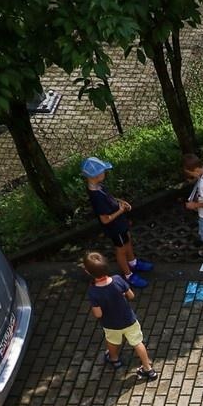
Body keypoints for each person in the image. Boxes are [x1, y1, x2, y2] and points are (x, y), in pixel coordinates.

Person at [82, 252, 158, 381]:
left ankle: (114, 359)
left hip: (111, 324)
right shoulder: (117, 279)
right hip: (129, 320)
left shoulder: (93, 292)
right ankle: (148, 369)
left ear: (88, 272)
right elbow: (131, 296)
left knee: (112, 341)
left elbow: (98, 314)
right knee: (137, 342)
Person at [81, 156, 151, 287]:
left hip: (119, 223)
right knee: (121, 249)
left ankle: (133, 262)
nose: (104, 173)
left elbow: (110, 198)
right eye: (102, 172)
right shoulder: (96, 197)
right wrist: (121, 210)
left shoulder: (98, 186)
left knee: (127, 240)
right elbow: (105, 219)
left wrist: (120, 202)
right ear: (95, 175)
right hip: (114, 227)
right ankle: (128, 274)